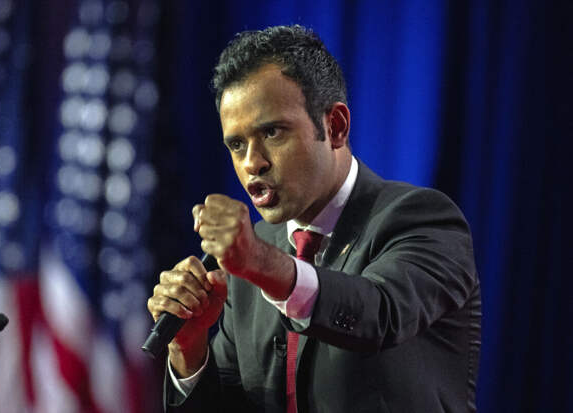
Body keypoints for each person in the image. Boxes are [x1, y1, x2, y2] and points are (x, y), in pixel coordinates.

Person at [147, 25, 481, 412]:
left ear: (335, 126)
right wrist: (189, 349)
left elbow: (380, 314)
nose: (252, 163)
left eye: (272, 132)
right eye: (237, 144)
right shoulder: (251, 260)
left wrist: (261, 265)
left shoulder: (423, 219)